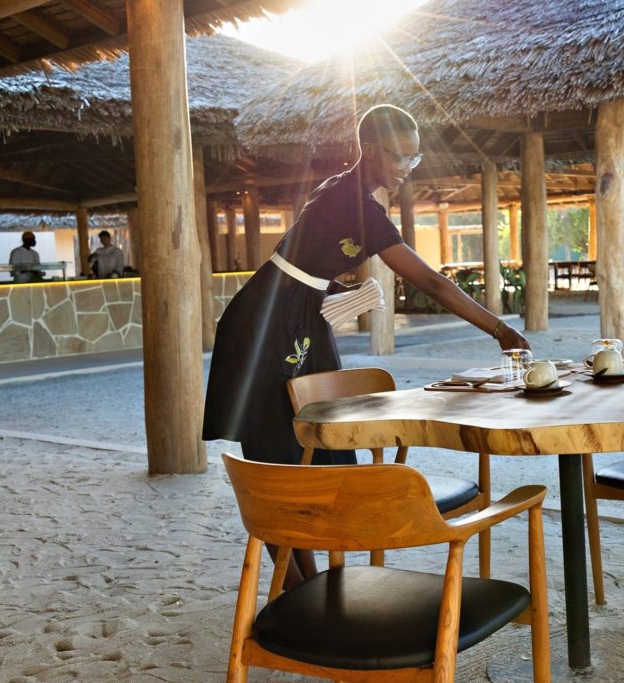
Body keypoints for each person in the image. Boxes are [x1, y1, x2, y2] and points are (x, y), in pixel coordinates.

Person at [202, 104, 529, 584]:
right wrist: (499, 330)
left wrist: (339, 292)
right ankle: (296, 591)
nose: (405, 169)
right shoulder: (353, 202)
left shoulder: (352, 195)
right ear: (369, 151)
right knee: (279, 456)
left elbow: (310, 265)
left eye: (413, 160)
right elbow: (432, 282)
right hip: (265, 321)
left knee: (320, 443)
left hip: (300, 313)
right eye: (399, 157)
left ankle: (311, 583)